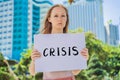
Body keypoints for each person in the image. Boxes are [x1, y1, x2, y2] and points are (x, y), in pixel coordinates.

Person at [29, 4, 89, 80]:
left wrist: (83, 59)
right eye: (56, 16)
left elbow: (75, 72)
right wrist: (33, 60)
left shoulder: (73, 41)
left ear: (66, 19)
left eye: (63, 16)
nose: (59, 19)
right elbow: (32, 72)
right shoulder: (42, 41)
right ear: (49, 19)